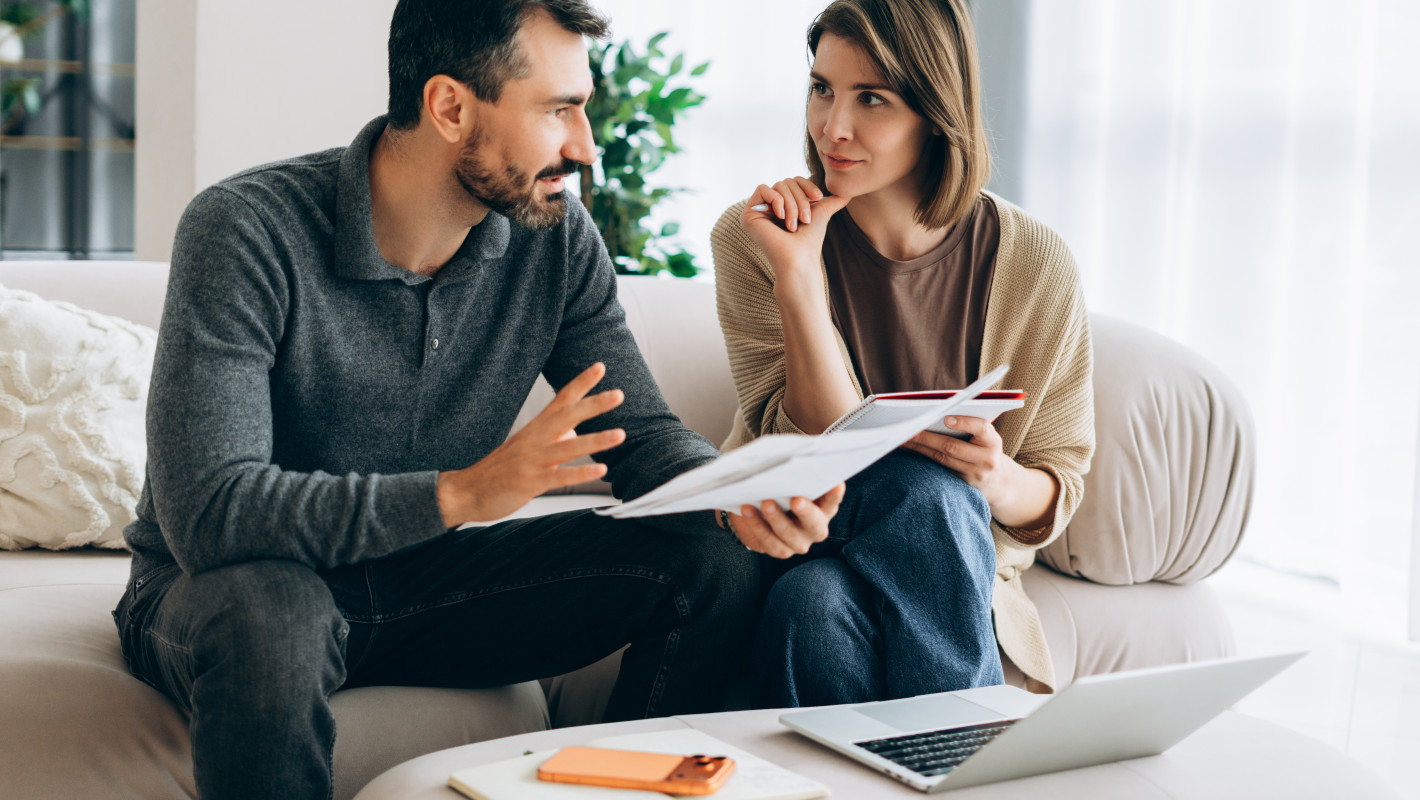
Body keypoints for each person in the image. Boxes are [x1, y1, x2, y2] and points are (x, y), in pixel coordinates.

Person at [112, 1, 844, 797]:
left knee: (712, 558)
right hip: (231, 592)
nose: (585, 147)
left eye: (583, 108)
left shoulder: (553, 237)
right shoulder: (246, 230)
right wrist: (461, 493)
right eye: (559, 110)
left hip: (423, 583)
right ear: (450, 107)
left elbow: (637, 434)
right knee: (277, 615)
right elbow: (210, 514)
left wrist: (736, 495)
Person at [711, 0, 1094, 707]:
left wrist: (994, 474)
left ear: (935, 110)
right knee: (923, 493)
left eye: (872, 99)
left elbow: (1057, 484)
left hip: (906, 572)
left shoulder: (1036, 262)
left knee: (813, 611)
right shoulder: (754, 240)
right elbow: (812, 452)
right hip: (809, 524)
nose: (834, 127)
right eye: (821, 88)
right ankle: (974, 757)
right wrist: (799, 278)